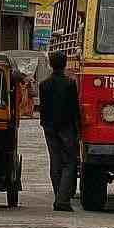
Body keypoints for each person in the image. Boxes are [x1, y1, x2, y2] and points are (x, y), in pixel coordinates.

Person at [39, 51, 80, 212]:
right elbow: (74, 108)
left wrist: (45, 125)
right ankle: (62, 200)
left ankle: (59, 196)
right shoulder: (70, 84)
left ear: (50, 64)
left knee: (55, 161)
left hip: (49, 127)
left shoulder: (44, 84)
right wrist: (78, 128)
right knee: (69, 162)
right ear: (65, 65)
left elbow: (43, 108)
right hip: (66, 127)